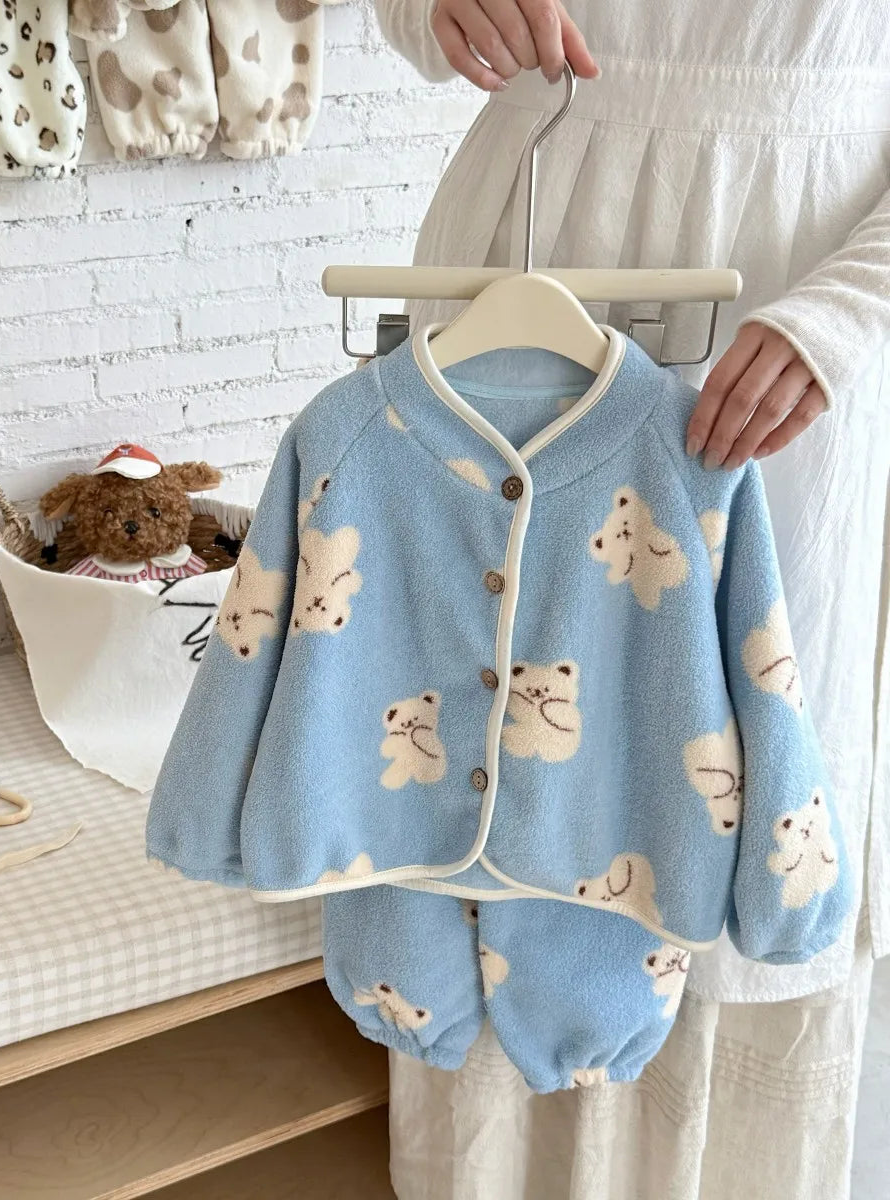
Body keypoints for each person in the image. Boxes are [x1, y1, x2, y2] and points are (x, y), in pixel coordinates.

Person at [372, 3, 890, 1198]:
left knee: (749, 749)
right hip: (530, 245)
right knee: (492, 745)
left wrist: (851, 314)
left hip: (793, 300)